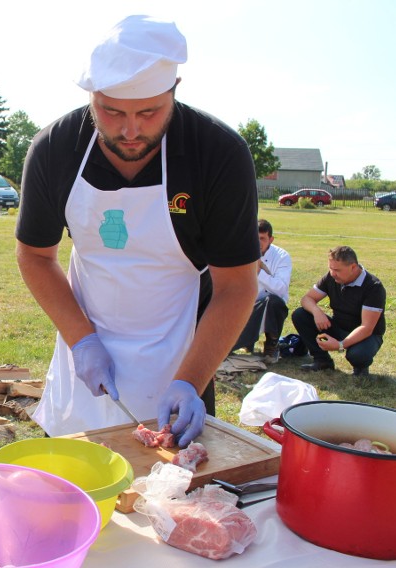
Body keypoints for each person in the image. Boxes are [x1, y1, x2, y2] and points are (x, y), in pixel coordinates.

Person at [15, 15, 259, 444]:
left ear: (174, 90)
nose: (130, 130)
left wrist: (191, 381)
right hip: (85, 352)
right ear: (92, 96)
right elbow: (35, 256)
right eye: (111, 111)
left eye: (149, 112)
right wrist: (82, 342)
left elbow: (237, 286)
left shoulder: (218, 154)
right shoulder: (55, 149)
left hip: (181, 357)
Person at [291, 246, 385, 376]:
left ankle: (360, 368)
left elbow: (366, 327)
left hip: (367, 335)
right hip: (339, 326)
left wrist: (340, 345)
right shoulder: (331, 277)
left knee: (358, 355)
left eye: (337, 270)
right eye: (330, 268)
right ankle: (322, 361)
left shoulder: (373, 287)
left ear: (353, 267)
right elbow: (307, 299)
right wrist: (316, 311)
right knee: (300, 315)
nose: (332, 273)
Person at [230, 219, 292, 364]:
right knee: (224, 349)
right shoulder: (240, 252)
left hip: (270, 305)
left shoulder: (282, 257)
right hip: (245, 305)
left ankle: (272, 344)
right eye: (254, 238)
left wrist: (258, 271)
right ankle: (246, 340)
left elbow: (281, 289)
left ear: (271, 239)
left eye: (262, 239)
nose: (257, 243)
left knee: (273, 301)